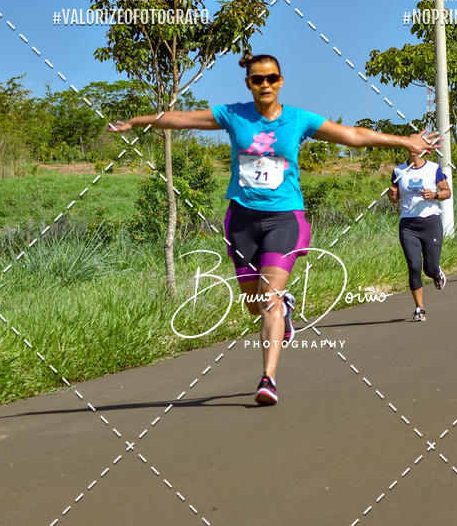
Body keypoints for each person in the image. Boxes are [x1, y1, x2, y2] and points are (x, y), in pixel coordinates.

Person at [110, 53, 438, 404]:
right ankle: (284, 310)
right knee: (255, 304)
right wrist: (138, 120)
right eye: (257, 79)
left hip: (285, 219)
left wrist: (404, 141)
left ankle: (268, 379)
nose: (264, 84)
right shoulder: (232, 116)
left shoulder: (298, 120)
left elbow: (353, 136)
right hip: (241, 221)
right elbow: (182, 119)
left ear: (280, 81)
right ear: (248, 84)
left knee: (267, 298)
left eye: (270, 78)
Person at [388, 153, 451, 321]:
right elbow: (395, 198)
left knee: (429, 269)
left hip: (431, 222)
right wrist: (392, 196)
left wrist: (435, 195)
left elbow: (447, 192)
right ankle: (419, 308)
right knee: (414, 266)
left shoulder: (433, 168)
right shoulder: (398, 171)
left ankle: (436, 273)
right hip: (408, 225)